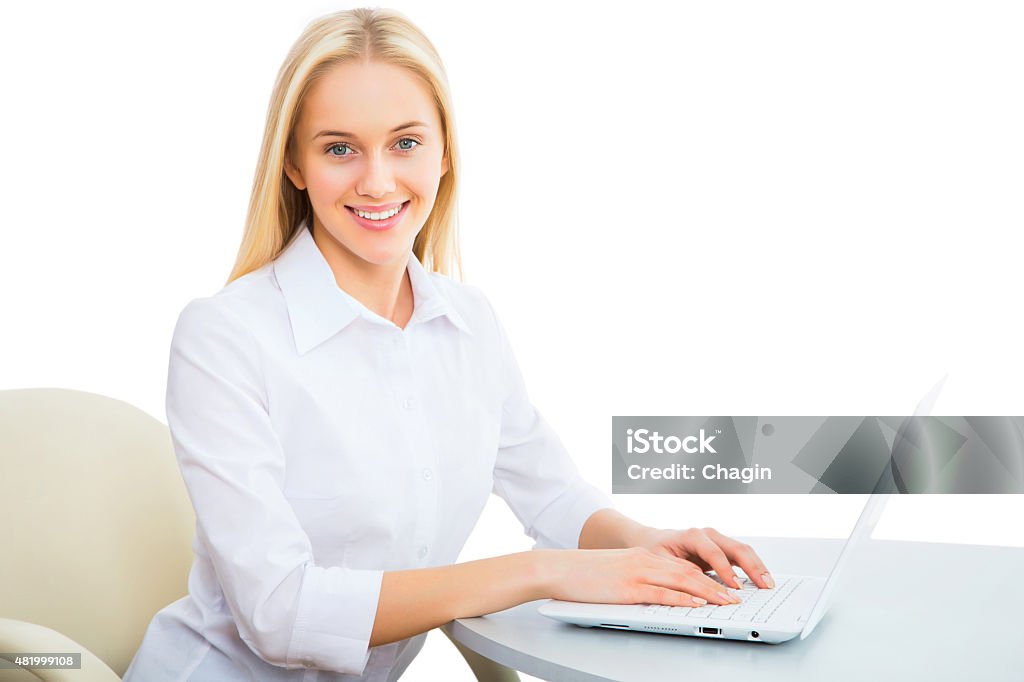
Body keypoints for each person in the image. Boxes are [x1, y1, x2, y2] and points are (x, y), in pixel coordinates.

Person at [124, 7, 774, 681]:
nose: (377, 180)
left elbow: (553, 499)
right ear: (293, 162)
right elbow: (282, 611)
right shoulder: (225, 337)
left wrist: (647, 546)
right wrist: (543, 574)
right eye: (339, 148)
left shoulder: (468, 322)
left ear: (445, 151)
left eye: (405, 143)